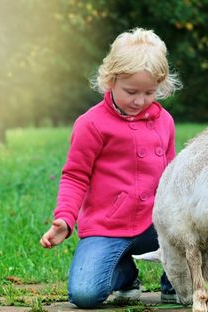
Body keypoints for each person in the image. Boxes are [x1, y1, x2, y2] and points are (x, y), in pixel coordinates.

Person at [39, 28, 182, 309]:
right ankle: (125, 276)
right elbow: (75, 176)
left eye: (150, 92)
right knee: (84, 295)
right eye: (131, 91)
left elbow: (173, 177)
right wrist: (65, 218)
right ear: (111, 80)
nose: (140, 101)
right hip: (108, 227)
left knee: (192, 229)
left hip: (156, 225)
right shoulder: (91, 124)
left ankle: (174, 281)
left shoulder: (165, 121)